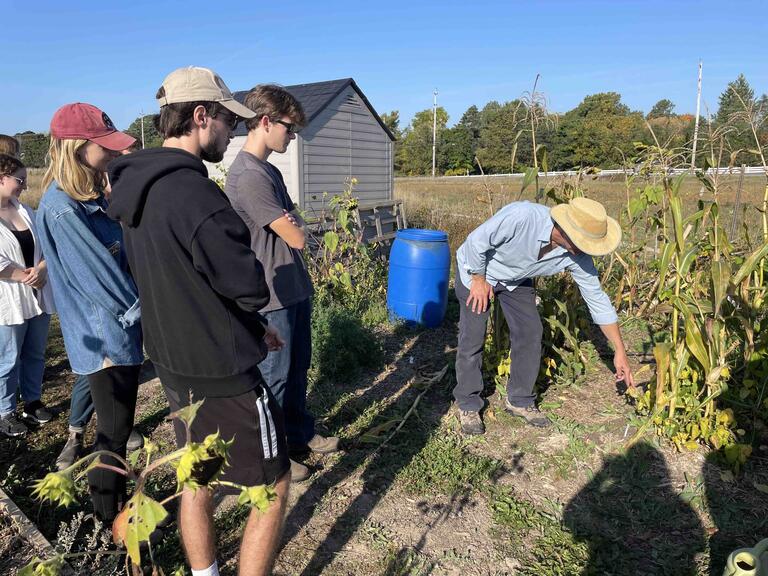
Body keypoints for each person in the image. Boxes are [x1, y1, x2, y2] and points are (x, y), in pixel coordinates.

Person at [107, 66, 290, 576]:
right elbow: (248, 285)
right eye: (228, 121)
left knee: (197, 475)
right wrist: (252, 311)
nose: (233, 132)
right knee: (272, 485)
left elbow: (184, 281)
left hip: (171, 362)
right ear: (201, 116)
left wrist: (253, 327)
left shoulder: (135, 190)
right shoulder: (196, 195)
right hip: (222, 370)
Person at [224, 84, 339, 483]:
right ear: (265, 122)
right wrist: (292, 225)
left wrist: (292, 223)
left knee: (297, 367)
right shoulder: (248, 176)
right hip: (270, 292)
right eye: (289, 128)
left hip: (293, 284)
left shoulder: (269, 170)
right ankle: (270, 456)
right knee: (274, 376)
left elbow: (294, 219)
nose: (293, 136)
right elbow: (297, 235)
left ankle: (298, 433)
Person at [35, 103, 143, 523]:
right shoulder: (62, 207)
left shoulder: (89, 197)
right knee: (112, 434)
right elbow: (103, 280)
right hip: (106, 337)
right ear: (77, 147)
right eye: (106, 146)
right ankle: (108, 520)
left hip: (117, 331)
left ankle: (115, 511)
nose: (114, 152)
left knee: (118, 427)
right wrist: (149, 313)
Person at [453, 198, 635, 435]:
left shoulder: (579, 256)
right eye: (584, 243)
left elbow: (597, 299)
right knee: (473, 335)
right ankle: (468, 403)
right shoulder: (522, 217)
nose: (586, 250)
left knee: (530, 332)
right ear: (564, 229)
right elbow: (476, 242)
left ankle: (520, 400)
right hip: (477, 270)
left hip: (516, 279)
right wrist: (478, 278)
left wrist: (619, 349)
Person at [0, 154, 55, 437]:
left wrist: (42, 269)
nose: (24, 185)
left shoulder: (25, 211)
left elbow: (46, 245)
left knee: (35, 353)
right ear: (1, 178)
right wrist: (25, 276)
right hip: (9, 299)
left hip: (38, 293)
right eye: (19, 180)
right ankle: (5, 411)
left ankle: (32, 401)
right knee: (9, 358)